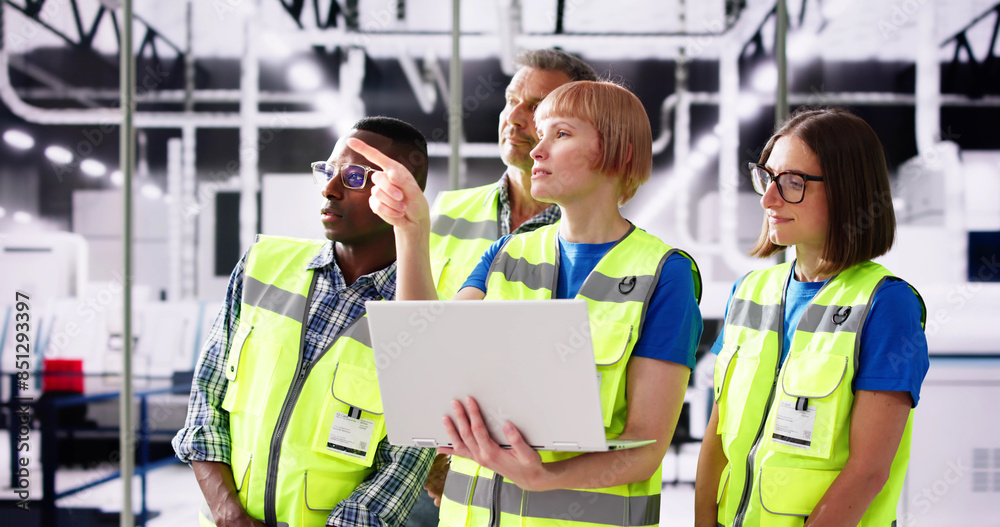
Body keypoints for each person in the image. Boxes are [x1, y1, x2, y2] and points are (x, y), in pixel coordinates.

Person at [355, 80, 703, 527]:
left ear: (623, 152)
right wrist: (410, 230)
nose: (536, 150)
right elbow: (427, 361)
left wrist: (543, 477)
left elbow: (645, 447)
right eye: (540, 135)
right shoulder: (505, 254)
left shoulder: (664, 274)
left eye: (560, 134)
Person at [172, 116, 435, 527]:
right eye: (328, 172)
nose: (330, 189)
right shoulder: (264, 266)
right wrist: (228, 514)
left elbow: (405, 461)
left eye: (352, 176)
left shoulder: (419, 312)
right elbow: (206, 397)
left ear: (401, 192)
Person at [694, 108, 929, 527]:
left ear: (846, 191)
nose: (768, 198)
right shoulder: (749, 293)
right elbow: (717, 437)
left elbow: (868, 470)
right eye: (767, 178)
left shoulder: (886, 305)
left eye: (793, 184)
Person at [428, 49, 598, 299]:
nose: (513, 117)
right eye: (510, 101)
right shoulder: (445, 212)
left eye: (537, 107)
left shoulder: (598, 235)